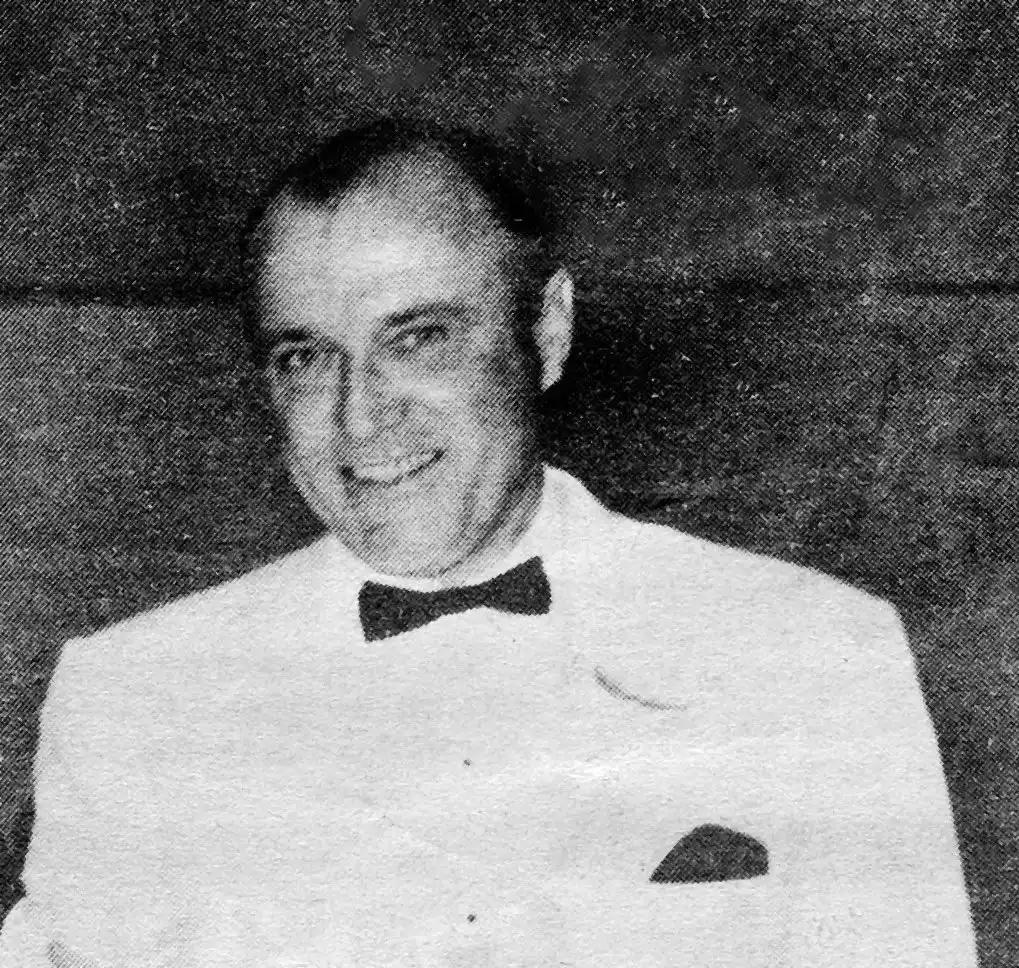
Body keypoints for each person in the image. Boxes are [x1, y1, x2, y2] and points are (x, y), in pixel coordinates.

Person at [0, 117, 976, 967]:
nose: (359, 417)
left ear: (544, 332)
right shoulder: (135, 698)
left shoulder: (812, 650)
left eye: (418, 337)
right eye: (305, 356)